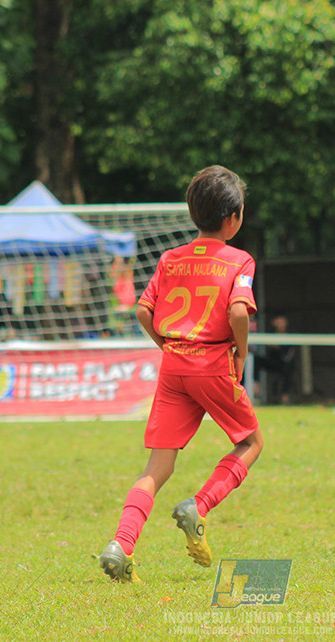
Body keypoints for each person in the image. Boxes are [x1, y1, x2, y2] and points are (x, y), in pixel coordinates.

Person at [99, 165, 263, 582]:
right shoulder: (240, 259)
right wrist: (240, 354)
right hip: (212, 364)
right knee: (250, 442)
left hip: (173, 365)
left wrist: (169, 348)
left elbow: (142, 310)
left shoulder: (171, 258)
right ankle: (200, 505)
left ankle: (121, 544)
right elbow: (239, 311)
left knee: (157, 467)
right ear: (234, 218)